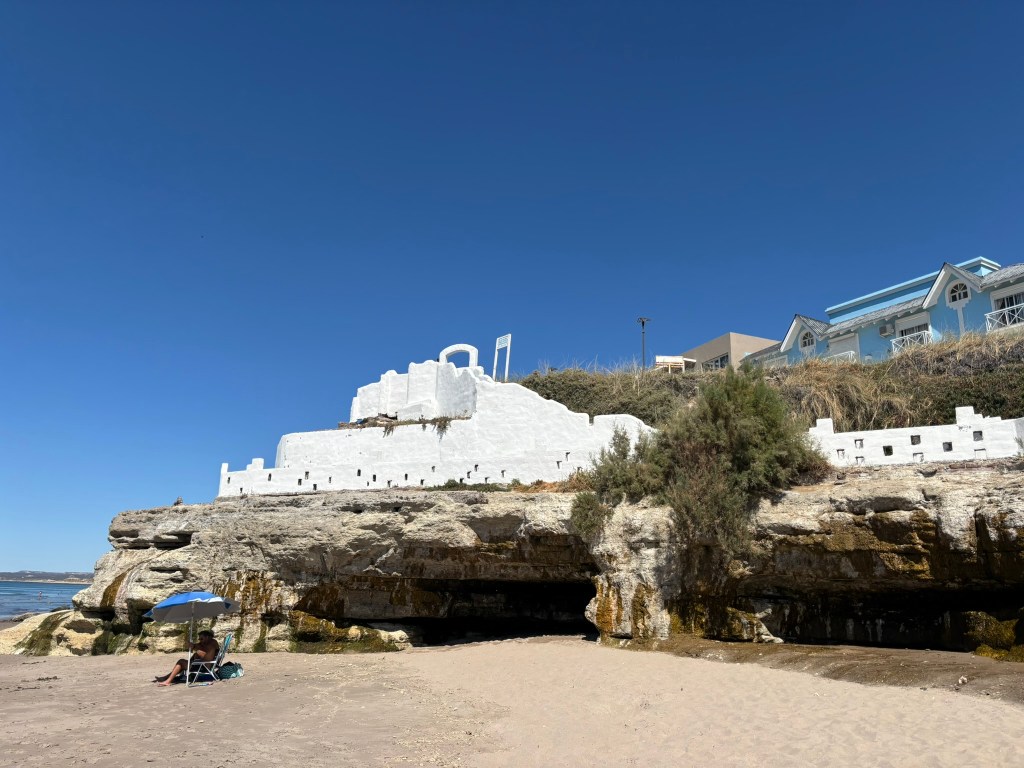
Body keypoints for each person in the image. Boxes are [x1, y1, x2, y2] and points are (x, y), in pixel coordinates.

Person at [155, 630, 220, 686]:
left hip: (204, 667)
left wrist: (194, 647)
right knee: (188, 659)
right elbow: (200, 647)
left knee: (181, 661)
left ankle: (167, 681)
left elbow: (206, 656)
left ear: (207, 637)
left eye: (201, 639)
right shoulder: (209, 643)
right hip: (204, 665)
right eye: (199, 639)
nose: (200, 641)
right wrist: (193, 645)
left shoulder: (212, 644)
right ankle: (167, 678)